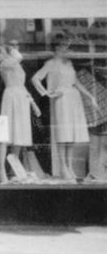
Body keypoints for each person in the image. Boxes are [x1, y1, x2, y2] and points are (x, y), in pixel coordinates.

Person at [31, 36, 99, 180]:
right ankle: (63, 167)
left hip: (73, 98)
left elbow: (76, 83)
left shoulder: (69, 64)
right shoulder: (51, 63)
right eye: (64, 46)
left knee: (71, 134)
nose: (67, 49)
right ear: (57, 48)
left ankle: (69, 167)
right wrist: (47, 93)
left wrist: (90, 97)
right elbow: (35, 78)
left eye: (67, 46)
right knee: (63, 133)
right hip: (61, 99)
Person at [0, 41, 41, 182]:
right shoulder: (5, 63)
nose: (15, 47)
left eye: (17, 45)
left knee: (19, 134)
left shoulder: (17, 64)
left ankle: (12, 169)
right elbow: (18, 57)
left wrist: (33, 103)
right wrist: (11, 51)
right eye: (12, 44)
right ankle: (1, 168)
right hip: (11, 97)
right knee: (5, 133)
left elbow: (22, 86)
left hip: (21, 97)